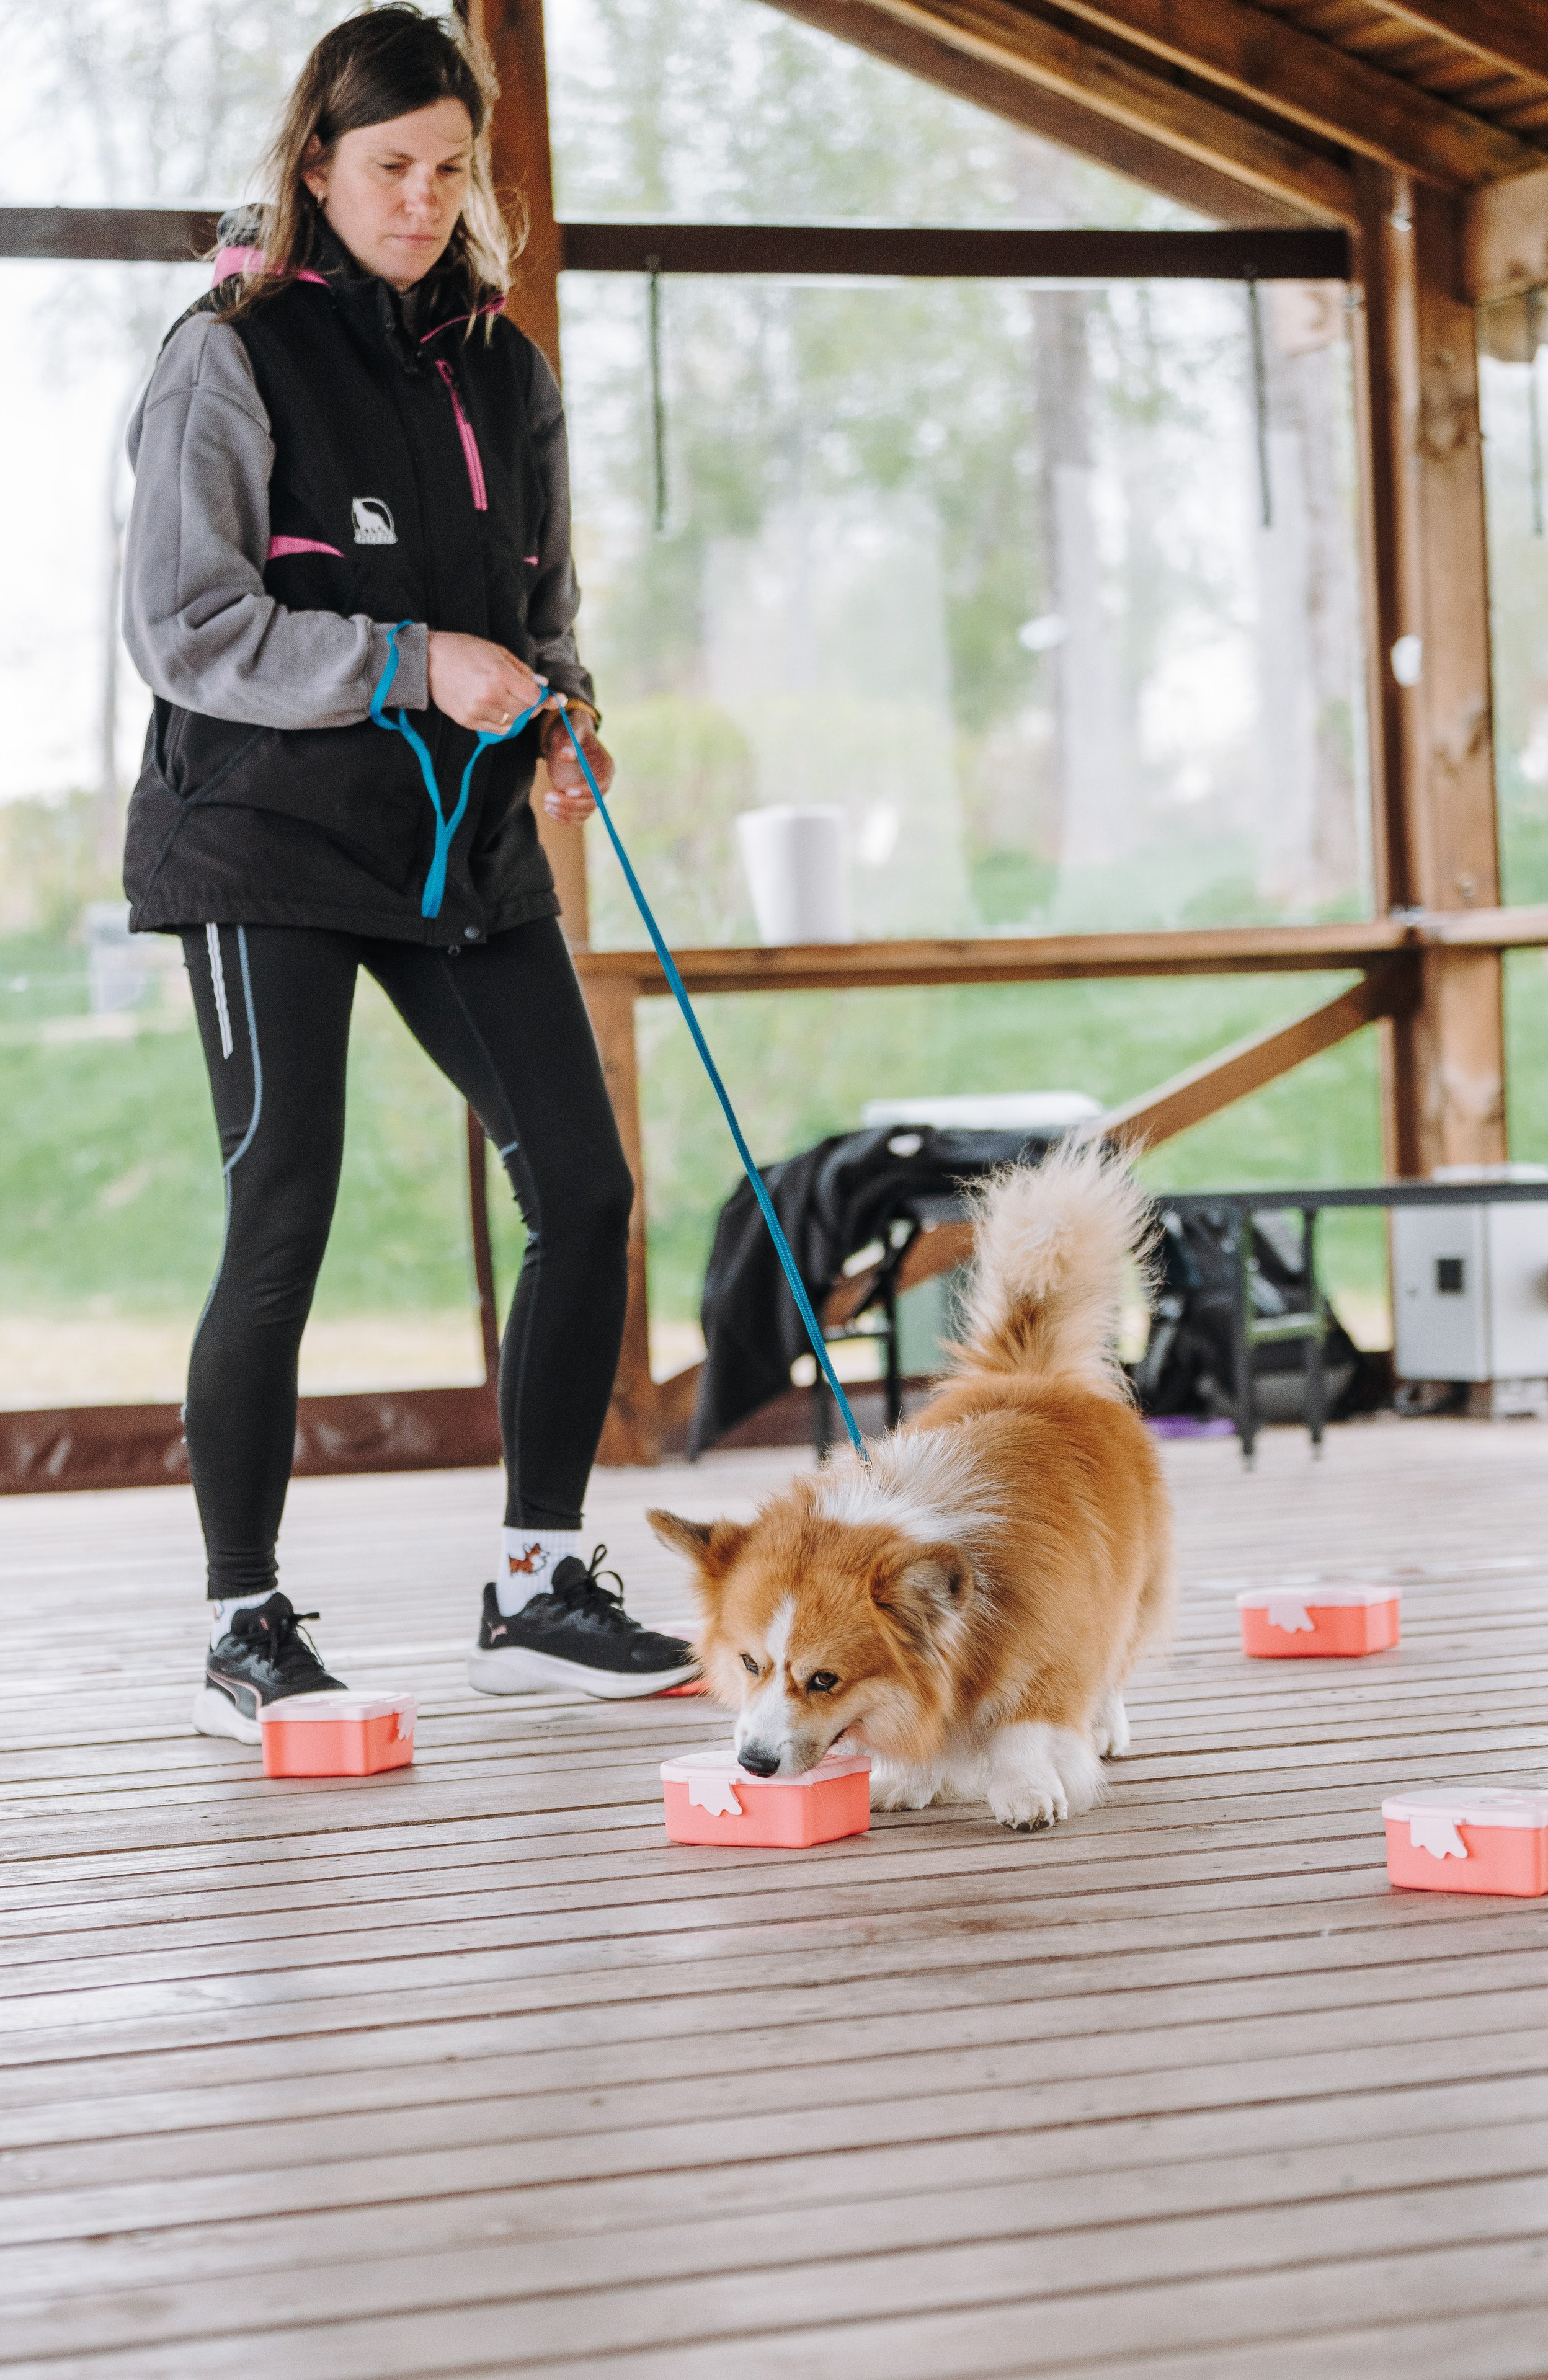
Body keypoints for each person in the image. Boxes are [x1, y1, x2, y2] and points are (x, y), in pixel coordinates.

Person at [121, 3, 699, 1737]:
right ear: (315, 161)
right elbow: (183, 626)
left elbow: (538, 616)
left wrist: (561, 715)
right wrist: (404, 664)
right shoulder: (226, 352)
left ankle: (534, 1584)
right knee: (282, 1205)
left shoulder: (506, 371)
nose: (423, 198)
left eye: (451, 170)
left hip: (459, 846)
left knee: (585, 1194)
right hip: (264, 841)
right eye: (390, 167)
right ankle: (245, 1620)